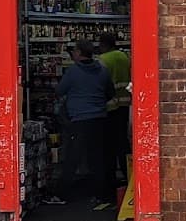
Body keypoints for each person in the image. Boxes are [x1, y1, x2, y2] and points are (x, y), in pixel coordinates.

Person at [55, 39, 115, 209]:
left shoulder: (73, 72)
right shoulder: (102, 71)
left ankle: (63, 194)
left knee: (72, 158)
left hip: (79, 119)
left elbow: (59, 91)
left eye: (74, 51)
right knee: (97, 158)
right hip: (99, 119)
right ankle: (100, 195)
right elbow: (110, 92)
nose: (72, 53)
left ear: (80, 53)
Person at [98, 32, 131, 189]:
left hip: (110, 107)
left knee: (109, 146)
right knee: (123, 143)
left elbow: (101, 83)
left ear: (103, 44)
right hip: (125, 105)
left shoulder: (103, 60)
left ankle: (109, 182)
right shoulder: (125, 57)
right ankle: (129, 174)